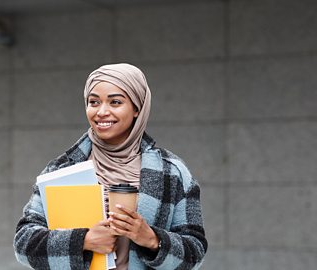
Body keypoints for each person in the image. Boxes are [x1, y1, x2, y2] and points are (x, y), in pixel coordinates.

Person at [13, 63, 207, 269]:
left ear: (137, 108)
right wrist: (83, 241)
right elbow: (24, 244)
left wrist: (151, 239)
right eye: (93, 102)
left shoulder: (171, 173)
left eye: (115, 102)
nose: (102, 112)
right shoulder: (61, 169)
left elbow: (195, 252)